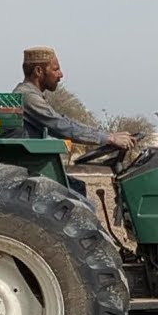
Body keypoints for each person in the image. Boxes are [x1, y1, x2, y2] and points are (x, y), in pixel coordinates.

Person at [14, 46, 135, 203]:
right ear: (39, 71)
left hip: (33, 167)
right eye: (56, 69)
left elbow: (65, 122)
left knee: (78, 188)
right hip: (26, 169)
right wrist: (109, 138)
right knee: (83, 203)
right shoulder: (28, 97)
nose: (61, 74)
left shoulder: (33, 96)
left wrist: (106, 135)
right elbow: (61, 127)